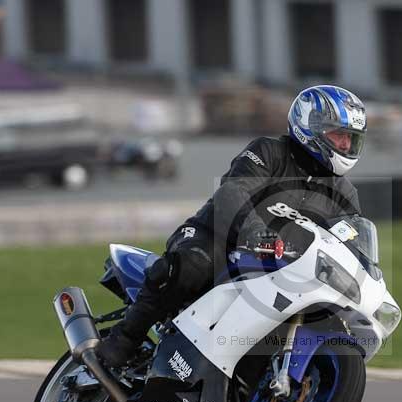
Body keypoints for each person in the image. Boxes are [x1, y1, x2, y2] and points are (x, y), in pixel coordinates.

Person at [96, 85, 368, 368]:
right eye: (339, 135)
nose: (346, 146)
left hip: (283, 269)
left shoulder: (345, 194)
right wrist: (255, 232)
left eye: (351, 139)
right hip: (218, 238)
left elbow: (350, 241)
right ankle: (123, 340)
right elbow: (233, 192)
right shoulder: (269, 151)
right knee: (189, 267)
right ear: (310, 125)